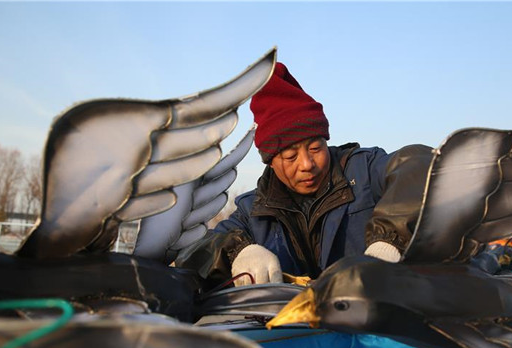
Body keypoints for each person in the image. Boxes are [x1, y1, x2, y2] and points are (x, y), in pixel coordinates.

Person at [181, 62, 430, 287]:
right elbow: (193, 251)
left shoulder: (364, 170)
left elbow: (419, 163)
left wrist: (390, 240)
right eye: (291, 156)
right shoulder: (253, 210)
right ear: (271, 161)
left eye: (315, 148)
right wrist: (237, 252)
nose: (307, 164)